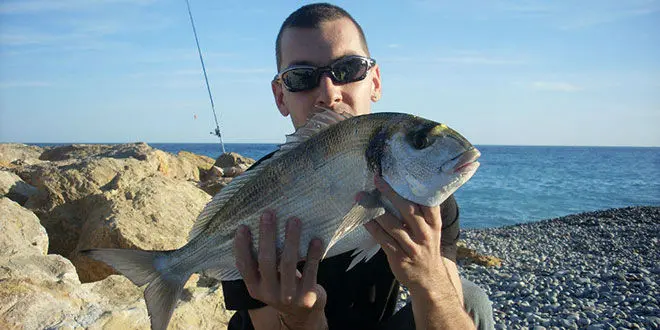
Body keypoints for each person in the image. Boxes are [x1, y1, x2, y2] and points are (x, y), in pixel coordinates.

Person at [222, 3, 494, 329]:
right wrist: (302, 319)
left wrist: (430, 282)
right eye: (301, 77)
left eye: (348, 69)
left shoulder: (418, 189)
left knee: (467, 299)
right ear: (281, 96)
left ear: (375, 82)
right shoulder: (253, 204)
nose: (329, 93)